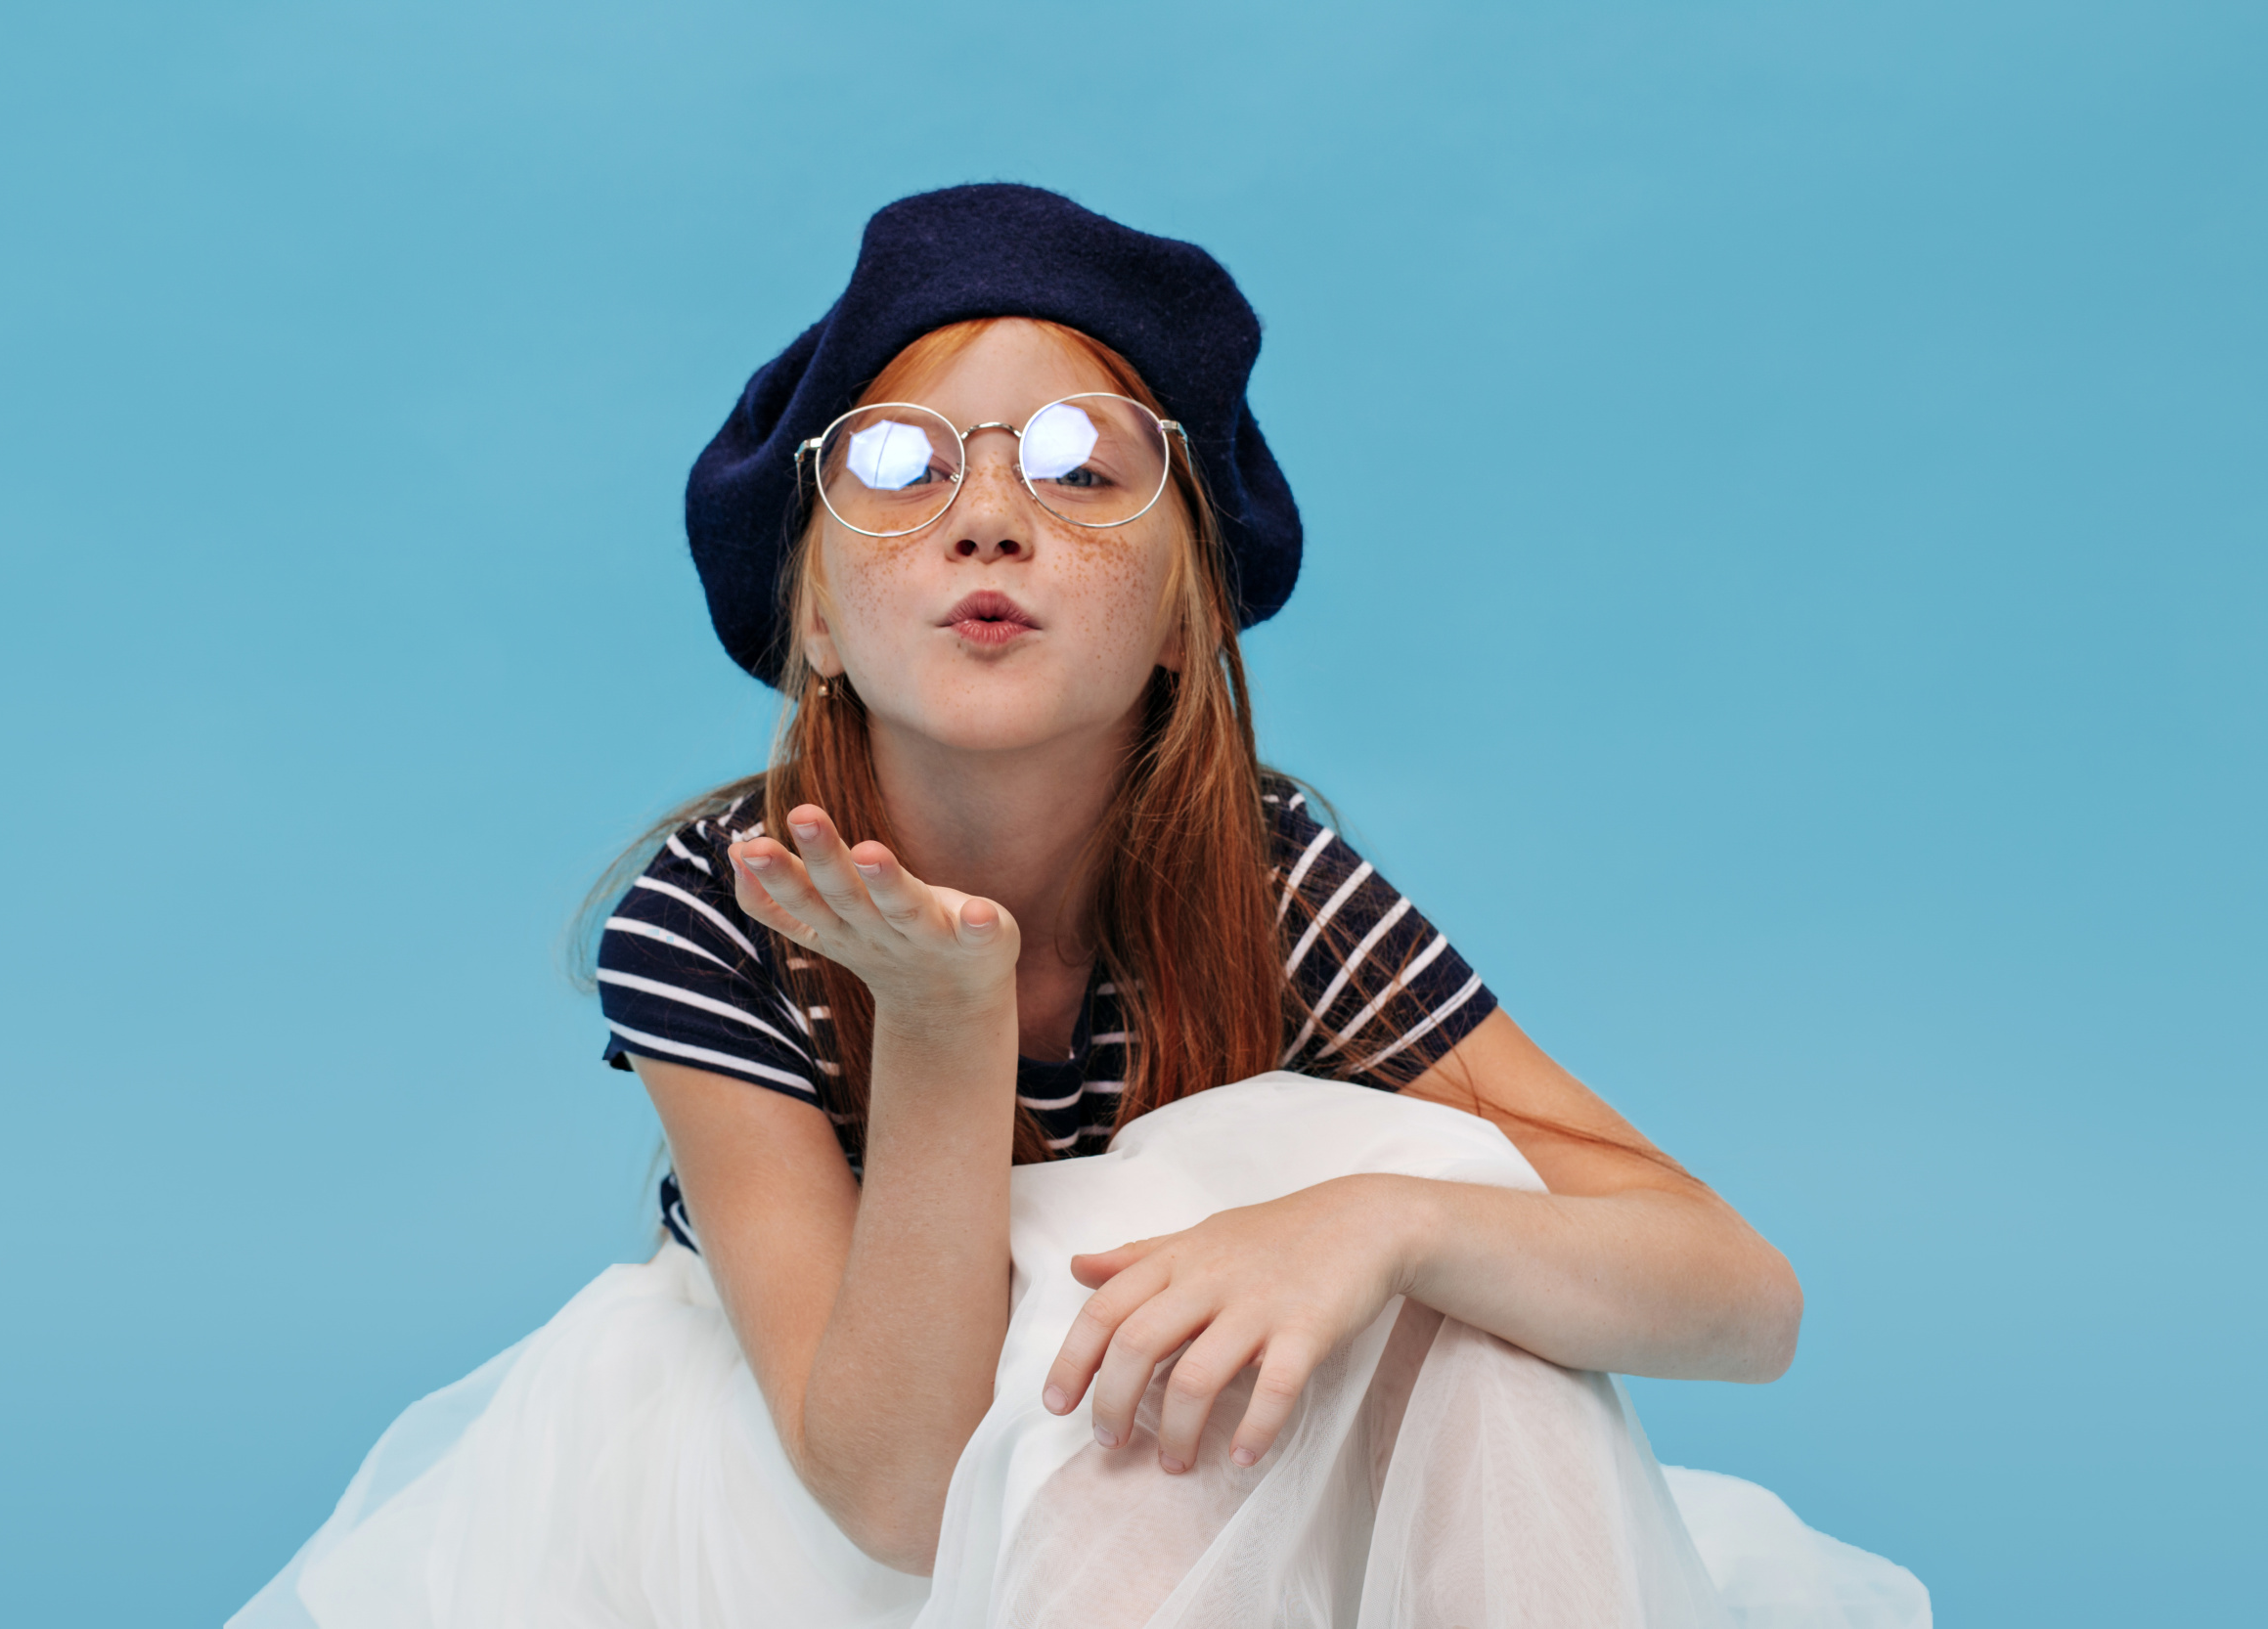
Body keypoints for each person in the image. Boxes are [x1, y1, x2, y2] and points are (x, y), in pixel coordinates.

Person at [233, 185, 1929, 1628]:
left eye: (1077, 468)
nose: (987, 515)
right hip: (832, 1519)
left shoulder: (1258, 879)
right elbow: (887, 1488)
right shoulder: (722, 907)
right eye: (899, 469)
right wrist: (945, 1027)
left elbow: (1741, 1294)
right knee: (1235, 1243)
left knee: (1452, 1231)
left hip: (1199, 1484)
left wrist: (1381, 1226)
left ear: (1187, 616)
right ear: (812, 620)